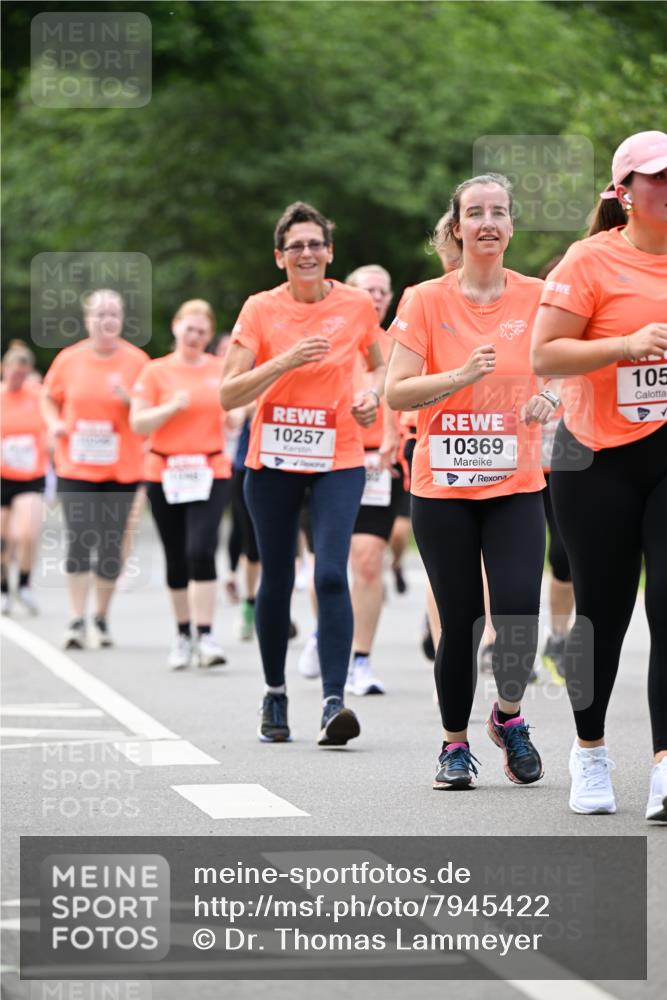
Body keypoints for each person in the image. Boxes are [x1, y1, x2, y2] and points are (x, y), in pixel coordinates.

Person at [386, 173, 558, 790]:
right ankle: (454, 745)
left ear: (511, 227)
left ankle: (507, 717)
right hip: (443, 487)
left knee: (518, 614)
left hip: (514, 484)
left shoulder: (540, 296)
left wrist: (552, 393)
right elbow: (395, 391)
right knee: (459, 623)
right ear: (456, 228)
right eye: (475, 213)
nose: (488, 223)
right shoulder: (425, 300)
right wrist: (457, 376)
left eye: (499, 212)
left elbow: (574, 367)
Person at [532, 131, 667, 821]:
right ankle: (588, 751)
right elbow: (544, 355)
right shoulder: (588, 262)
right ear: (622, 191)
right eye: (655, 178)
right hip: (593, 459)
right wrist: (626, 344)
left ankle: (664, 768)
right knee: (601, 615)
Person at [221, 201, 385, 746]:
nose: (308, 253)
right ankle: (275, 692)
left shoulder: (358, 304)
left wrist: (370, 395)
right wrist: (285, 360)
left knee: (331, 574)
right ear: (280, 257)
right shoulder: (260, 310)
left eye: (316, 244)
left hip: (338, 456)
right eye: (297, 246)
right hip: (272, 461)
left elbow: (383, 365)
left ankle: (334, 702)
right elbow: (229, 392)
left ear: (330, 252)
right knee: (277, 577)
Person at [42, 290, 148, 648]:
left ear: (122, 320)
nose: (107, 321)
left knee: (111, 545)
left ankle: (101, 616)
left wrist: (129, 400)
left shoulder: (138, 362)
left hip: (122, 469)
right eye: (100, 314)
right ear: (87, 320)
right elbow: (47, 398)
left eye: (114, 314)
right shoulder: (69, 360)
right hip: (76, 466)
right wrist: (55, 423)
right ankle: (75, 619)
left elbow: (150, 412)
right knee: (79, 537)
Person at [131, 299, 232, 670]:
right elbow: (138, 423)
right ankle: (182, 633)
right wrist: (171, 407)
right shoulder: (154, 373)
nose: (195, 336)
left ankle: (206, 634)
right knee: (176, 554)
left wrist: (235, 414)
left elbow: (234, 411)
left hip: (210, 468)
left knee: (201, 549)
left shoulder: (220, 369)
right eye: (189, 328)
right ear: (175, 327)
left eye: (202, 331)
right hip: (165, 470)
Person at [1, 341, 48, 615]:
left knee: (28, 532)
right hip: (2, 476)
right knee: (3, 537)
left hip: (30, 476)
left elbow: (55, 420)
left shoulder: (38, 396)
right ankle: (4, 588)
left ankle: (25, 582)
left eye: (22, 373)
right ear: (4, 369)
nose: (16, 378)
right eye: (11, 372)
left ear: (29, 371)